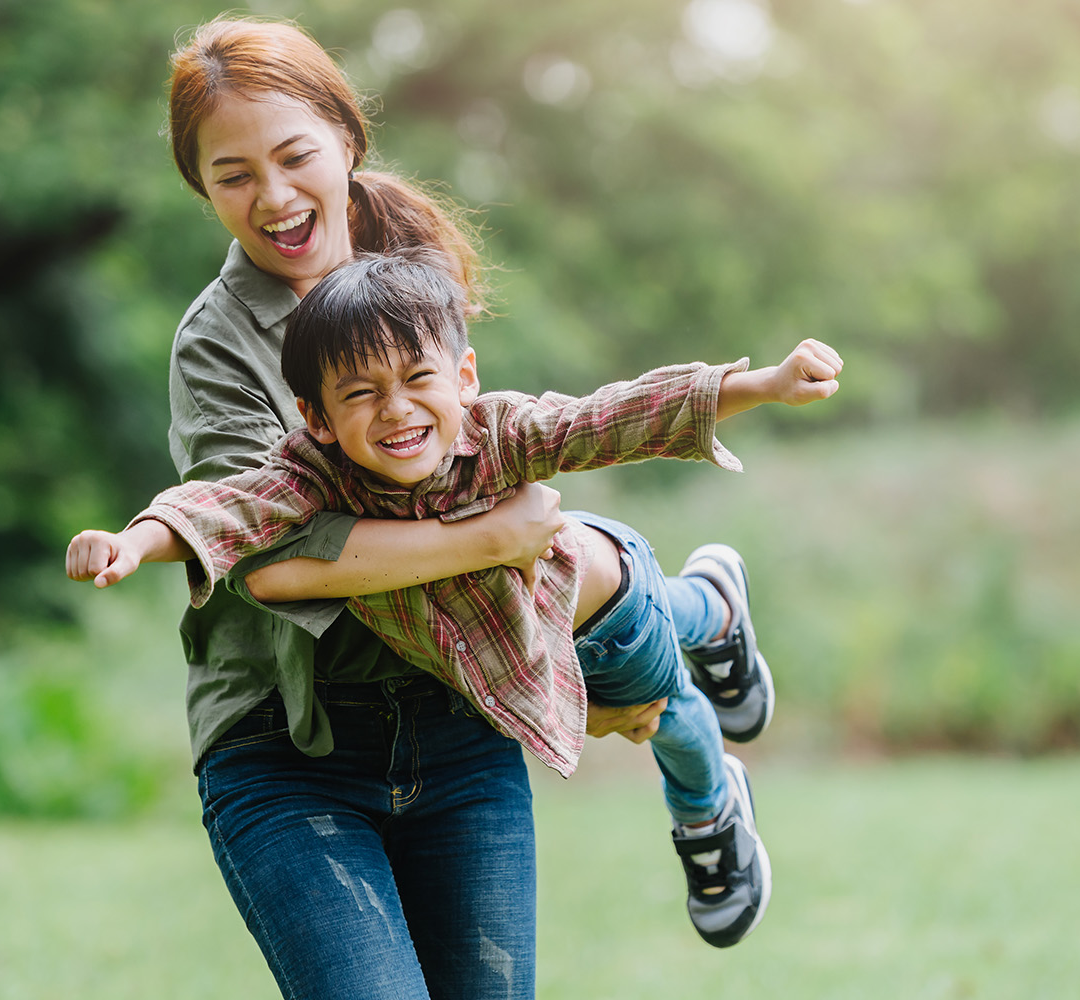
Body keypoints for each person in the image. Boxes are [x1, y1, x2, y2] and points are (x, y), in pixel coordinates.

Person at [111, 15, 680, 999]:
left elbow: (508, 444)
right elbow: (277, 550)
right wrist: (489, 539)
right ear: (200, 188)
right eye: (232, 174)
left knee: (600, 554)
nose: (275, 197)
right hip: (290, 742)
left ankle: (695, 666)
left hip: (456, 723)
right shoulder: (216, 342)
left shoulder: (411, 269)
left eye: (294, 157)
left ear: (345, 140)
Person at [67, 250, 844, 945]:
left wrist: (764, 385)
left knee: (665, 709)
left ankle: (710, 786)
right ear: (316, 417)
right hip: (526, 640)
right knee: (666, 674)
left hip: (598, 611)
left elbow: (612, 416)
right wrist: (133, 541)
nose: (397, 409)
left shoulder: (501, 432)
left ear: (463, 377)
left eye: (417, 379)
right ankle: (710, 604)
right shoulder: (311, 476)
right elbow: (226, 507)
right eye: (362, 393)